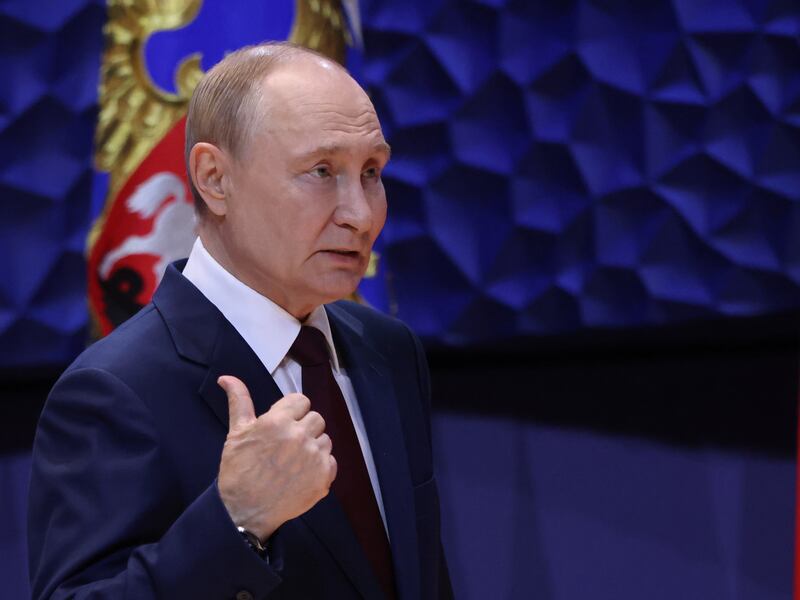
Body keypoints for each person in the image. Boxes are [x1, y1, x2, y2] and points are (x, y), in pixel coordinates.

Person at [28, 41, 452, 600]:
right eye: (322, 171)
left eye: (371, 171)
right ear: (214, 178)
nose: (361, 213)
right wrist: (238, 521)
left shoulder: (388, 351)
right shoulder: (113, 390)